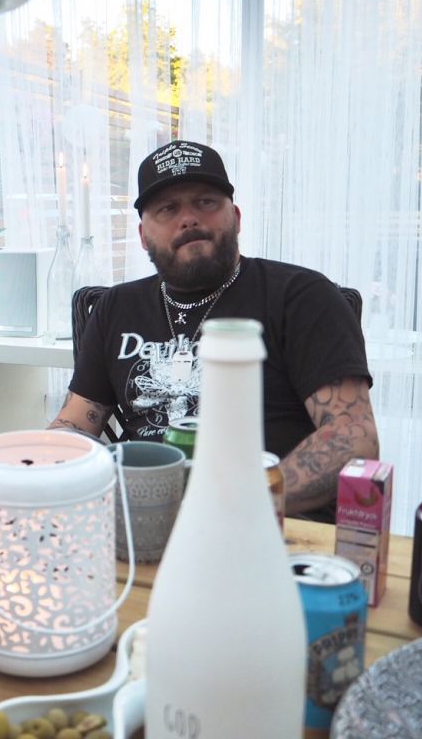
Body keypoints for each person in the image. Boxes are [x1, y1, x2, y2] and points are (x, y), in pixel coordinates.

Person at [49, 140, 379, 520]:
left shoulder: (302, 296)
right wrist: (42, 468)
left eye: (205, 202)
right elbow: (75, 422)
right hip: (141, 517)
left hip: (267, 522)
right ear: (142, 236)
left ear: (235, 217)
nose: (189, 219)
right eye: (167, 209)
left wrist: (241, 506)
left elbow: (354, 437)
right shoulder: (116, 307)